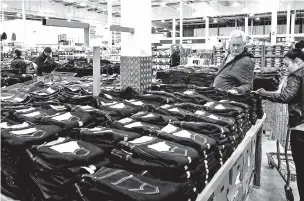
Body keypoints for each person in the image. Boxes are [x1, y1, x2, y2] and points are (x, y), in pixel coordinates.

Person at [256, 41, 304, 200]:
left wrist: (264, 93)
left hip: (300, 127)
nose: (285, 68)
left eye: (286, 64)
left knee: (301, 167)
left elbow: (286, 96)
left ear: (298, 62)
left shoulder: (296, 75)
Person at [212, 30, 254, 95]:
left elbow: (248, 86)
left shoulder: (246, 61)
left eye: (238, 45)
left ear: (244, 44)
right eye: (233, 45)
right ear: (229, 43)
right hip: (218, 96)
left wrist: (235, 90)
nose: (235, 48)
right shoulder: (229, 55)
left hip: (229, 99)